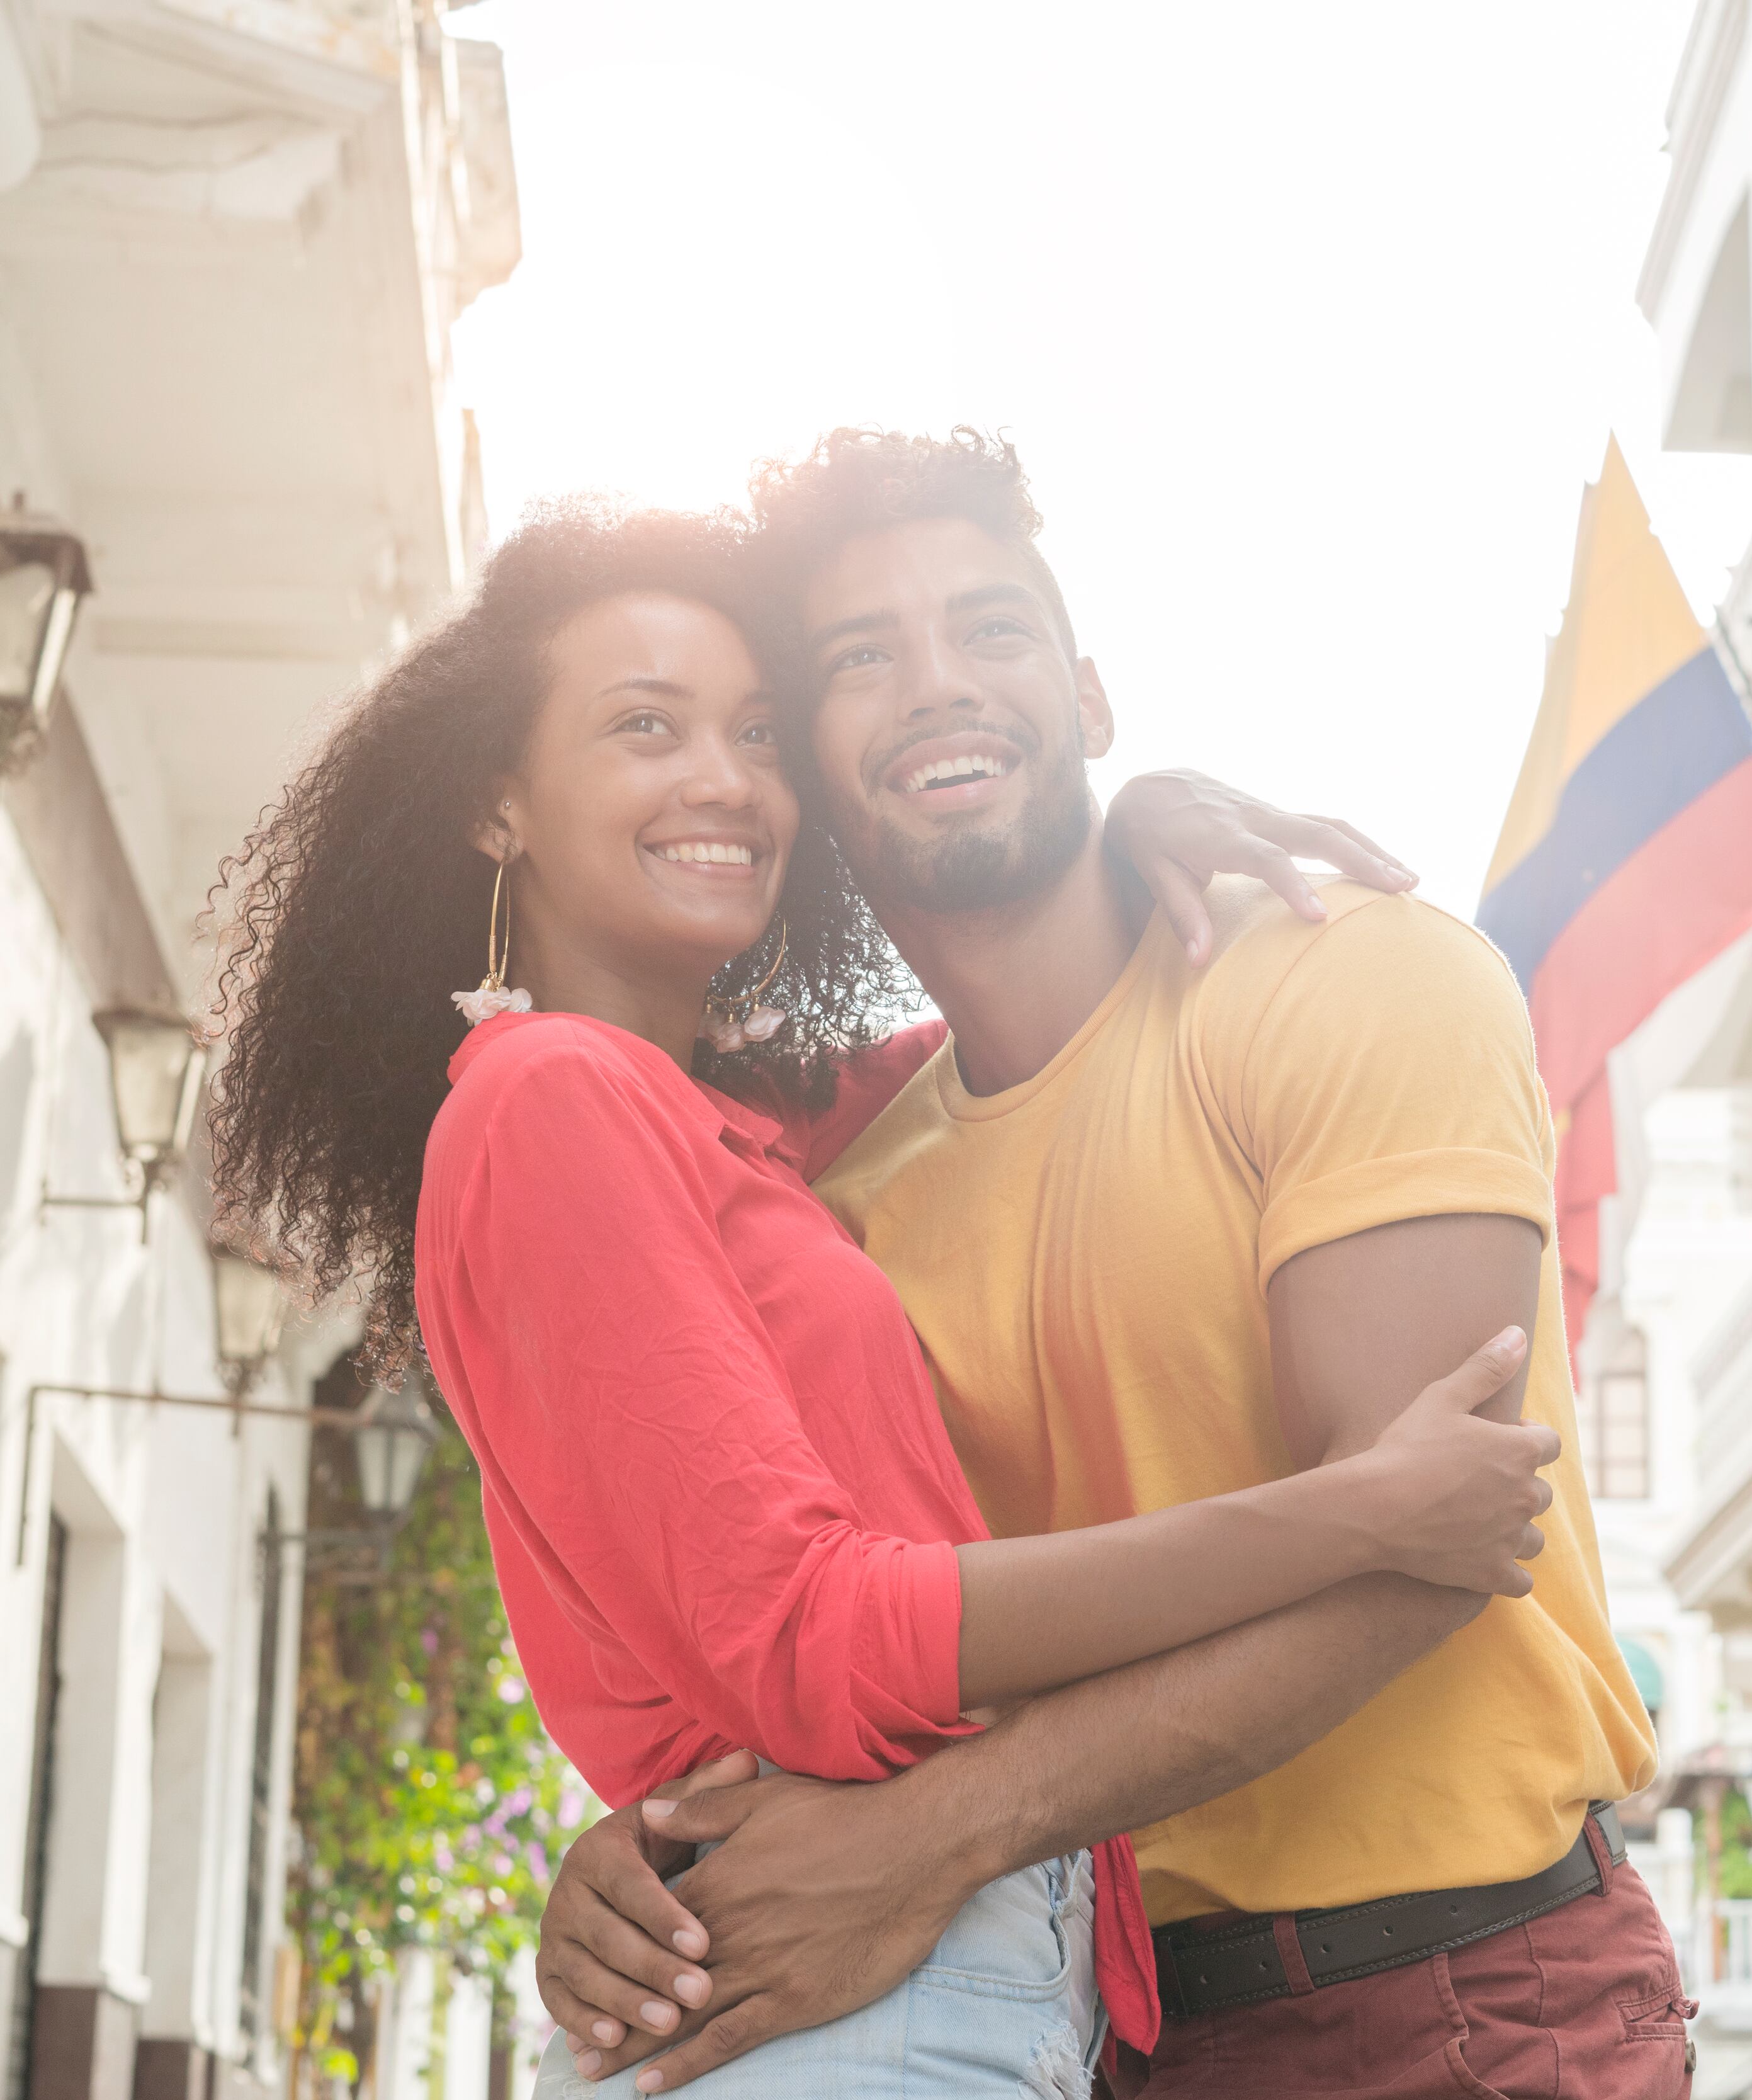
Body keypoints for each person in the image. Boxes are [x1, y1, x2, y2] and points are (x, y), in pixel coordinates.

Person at [205, 500, 1569, 2100]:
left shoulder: (780, 1137)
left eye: (757, 733)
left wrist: (1117, 822)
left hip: (1031, 1978)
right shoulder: (551, 1096)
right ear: (496, 805)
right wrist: (1358, 1513)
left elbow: (1023, 1033)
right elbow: (808, 1634)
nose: (720, 777)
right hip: (878, 1988)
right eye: (644, 727)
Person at [536, 432, 1690, 2100]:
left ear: (1089, 696)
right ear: (801, 764)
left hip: (1452, 1999)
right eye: (864, 659)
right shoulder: (849, 1191)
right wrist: (645, 1866)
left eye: (990, 631)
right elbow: (848, 1638)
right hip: (1090, 2036)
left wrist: (936, 1838)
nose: (937, 688)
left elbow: (1432, 1549)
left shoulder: (1353, 975)